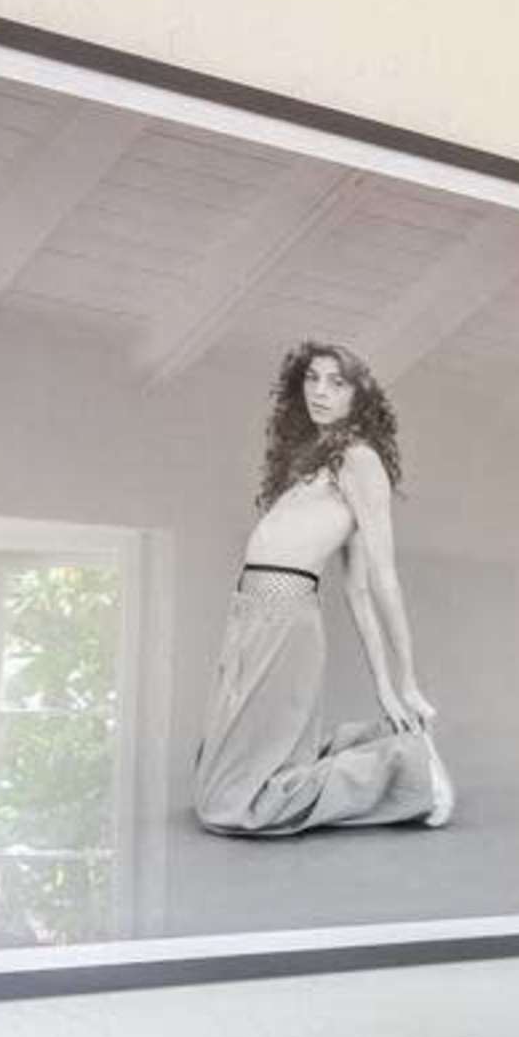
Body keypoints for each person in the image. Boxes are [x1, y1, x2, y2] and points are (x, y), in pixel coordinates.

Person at [191, 341, 455, 835]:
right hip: (249, 615)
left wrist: (404, 682)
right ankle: (397, 744)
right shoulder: (317, 461)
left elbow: (380, 579)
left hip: (285, 618)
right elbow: (352, 591)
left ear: (360, 395)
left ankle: (412, 773)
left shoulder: (359, 460)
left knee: (231, 806)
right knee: (214, 782)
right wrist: (382, 691)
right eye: (312, 378)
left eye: (337, 382)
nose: (320, 391)